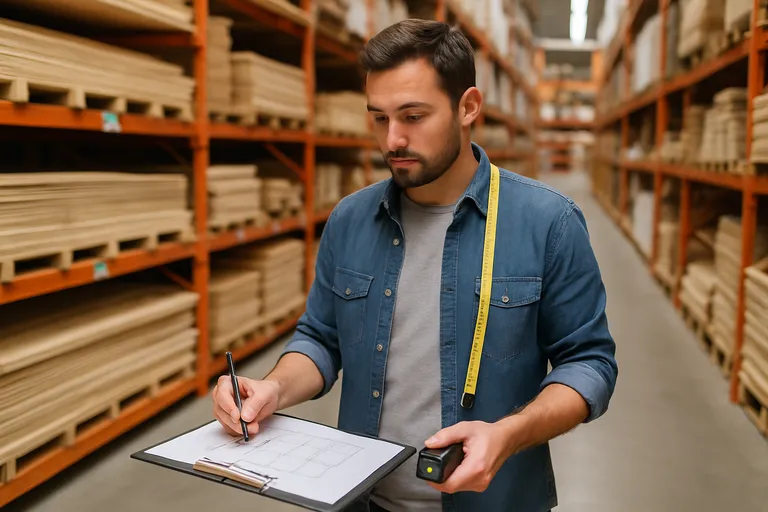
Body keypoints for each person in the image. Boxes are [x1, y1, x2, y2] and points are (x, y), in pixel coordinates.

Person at [212, 18, 618, 512]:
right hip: (362, 499)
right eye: (379, 118)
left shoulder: (548, 222)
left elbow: (589, 363)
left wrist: (508, 435)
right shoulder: (350, 220)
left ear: (468, 107)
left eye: (413, 116)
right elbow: (320, 339)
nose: (393, 140)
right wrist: (272, 388)